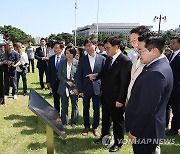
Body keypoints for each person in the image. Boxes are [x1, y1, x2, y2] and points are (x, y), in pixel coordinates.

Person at [125, 33, 173, 154]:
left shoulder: (156, 73)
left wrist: (134, 131)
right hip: (147, 129)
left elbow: (146, 108)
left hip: (145, 131)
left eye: (140, 51)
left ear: (154, 51)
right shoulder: (156, 66)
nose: (138, 54)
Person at [87, 36, 132, 152]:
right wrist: (96, 76)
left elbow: (124, 84)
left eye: (108, 48)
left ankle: (118, 142)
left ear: (116, 47)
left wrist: (120, 100)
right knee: (106, 119)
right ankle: (104, 137)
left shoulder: (125, 61)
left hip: (117, 98)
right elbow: (104, 73)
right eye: (105, 48)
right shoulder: (108, 58)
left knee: (118, 121)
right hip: (106, 96)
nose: (106, 50)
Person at [77, 38, 106, 136]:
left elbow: (105, 74)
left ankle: (95, 127)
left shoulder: (102, 59)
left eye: (90, 45)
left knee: (97, 109)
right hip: (85, 89)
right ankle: (86, 126)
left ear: (95, 45)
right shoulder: (82, 60)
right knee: (85, 108)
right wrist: (80, 89)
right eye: (86, 46)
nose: (88, 48)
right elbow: (79, 76)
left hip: (97, 89)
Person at [126, 26, 150, 103]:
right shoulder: (137, 57)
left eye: (135, 40)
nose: (133, 44)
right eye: (131, 41)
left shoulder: (151, 59)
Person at [57, 46, 79, 128]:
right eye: (66, 53)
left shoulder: (77, 62)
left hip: (74, 87)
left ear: (74, 54)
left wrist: (74, 84)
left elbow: (78, 75)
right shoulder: (62, 62)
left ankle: (74, 122)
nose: (68, 55)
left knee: (74, 104)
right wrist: (66, 81)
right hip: (64, 86)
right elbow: (59, 74)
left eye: (70, 53)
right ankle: (64, 122)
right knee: (64, 104)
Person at [166, 36, 180, 136]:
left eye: (173, 43)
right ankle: (166, 124)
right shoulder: (170, 55)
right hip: (168, 87)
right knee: (167, 107)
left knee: (176, 109)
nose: (171, 44)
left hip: (177, 88)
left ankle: (174, 129)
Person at [46, 41, 65, 114]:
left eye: (57, 48)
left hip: (63, 83)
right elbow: (48, 71)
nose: (55, 50)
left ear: (61, 49)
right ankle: (57, 114)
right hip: (54, 83)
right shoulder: (51, 59)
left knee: (64, 101)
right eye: (54, 48)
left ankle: (63, 116)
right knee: (56, 100)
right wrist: (48, 82)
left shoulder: (65, 58)